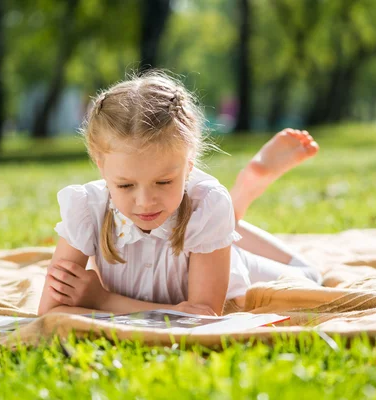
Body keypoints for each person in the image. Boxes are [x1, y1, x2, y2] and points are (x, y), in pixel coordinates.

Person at [38, 71, 322, 317]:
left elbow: (204, 314)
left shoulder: (206, 207)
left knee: (310, 278)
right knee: (213, 217)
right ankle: (232, 215)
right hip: (207, 228)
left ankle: (245, 191)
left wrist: (103, 300)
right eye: (125, 186)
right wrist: (168, 311)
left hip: (228, 260)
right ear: (101, 167)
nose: (145, 201)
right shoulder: (87, 208)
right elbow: (50, 311)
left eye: (163, 182)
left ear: (189, 166)